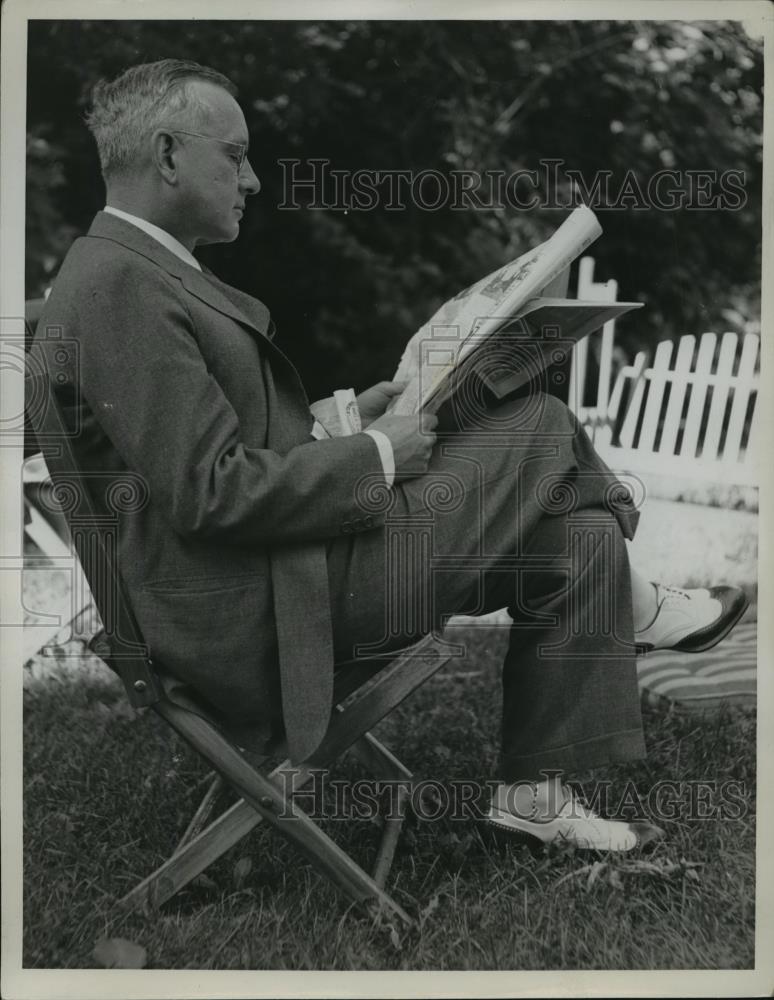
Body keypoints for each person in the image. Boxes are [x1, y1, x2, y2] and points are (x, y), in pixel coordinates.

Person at [32, 59, 747, 853]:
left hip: (280, 580)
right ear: (168, 155)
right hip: (259, 622)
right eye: (235, 156)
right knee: (539, 424)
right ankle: (642, 609)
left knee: (575, 539)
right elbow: (211, 493)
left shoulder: (131, 269)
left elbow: (213, 447)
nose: (255, 179)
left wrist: (346, 418)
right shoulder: (120, 284)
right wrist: (377, 454)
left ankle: (535, 796)